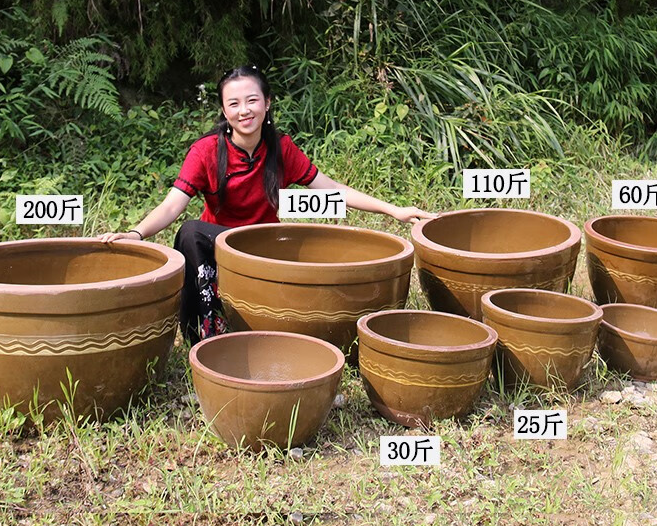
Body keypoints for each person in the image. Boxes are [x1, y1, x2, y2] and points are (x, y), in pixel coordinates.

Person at [101, 65, 434, 342]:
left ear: (267, 103)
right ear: (223, 110)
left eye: (251, 100)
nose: (244, 110)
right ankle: (207, 339)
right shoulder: (205, 151)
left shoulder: (281, 148)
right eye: (233, 104)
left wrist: (394, 210)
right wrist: (136, 233)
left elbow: (331, 189)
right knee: (190, 232)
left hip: (263, 251)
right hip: (219, 248)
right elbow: (172, 206)